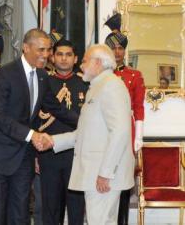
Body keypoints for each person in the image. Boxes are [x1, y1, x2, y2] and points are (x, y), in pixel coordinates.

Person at [0, 28, 78, 225]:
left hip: (24, 158)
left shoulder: (42, 77)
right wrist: (31, 135)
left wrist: (88, 122)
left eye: (48, 50)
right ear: (26, 48)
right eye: (41, 50)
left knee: (21, 213)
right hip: (0, 156)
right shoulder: (6, 73)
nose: (46, 55)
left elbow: (57, 109)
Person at [42, 44, 135, 225]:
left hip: (104, 175)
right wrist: (52, 141)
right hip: (98, 173)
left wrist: (106, 173)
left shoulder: (111, 86)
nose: (82, 66)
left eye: (84, 61)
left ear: (98, 63)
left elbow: (120, 132)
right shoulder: (97, 87)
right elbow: (85, 134)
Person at [38, 39, 87, 225]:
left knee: (76, 207)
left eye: (68, 55)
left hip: (77, 154)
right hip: (49, 154)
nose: (64, 59)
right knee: (50, 208)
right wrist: (36, 153)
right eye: (59, 54)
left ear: (75, 59)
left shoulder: (85, 83)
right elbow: (35, 118)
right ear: (52, 57)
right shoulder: (44, 82)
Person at [105, 13, 145, 225]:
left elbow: (138, 108)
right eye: (113, 48)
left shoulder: (134, 75)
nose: (117, 52)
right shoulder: (99, 75)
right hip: (103, 134)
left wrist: (137, 137)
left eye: (121, 48)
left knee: (122, 185)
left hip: (125, 134)